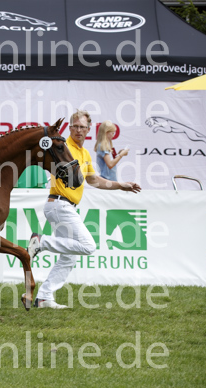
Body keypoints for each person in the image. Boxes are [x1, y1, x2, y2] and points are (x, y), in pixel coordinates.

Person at [27, 110, 141, 309]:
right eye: (75, 126)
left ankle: (44, 297)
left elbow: (94, 180)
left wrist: (120, 185)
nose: (78, 130)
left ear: (88, 130)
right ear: (70, 128)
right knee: (88, 246)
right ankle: (41, 242)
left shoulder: (85, 154)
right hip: (59, 204)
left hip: (63, 206)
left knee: (69, 256)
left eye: (82, 127)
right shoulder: (63, 147)